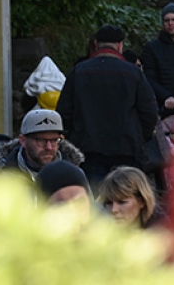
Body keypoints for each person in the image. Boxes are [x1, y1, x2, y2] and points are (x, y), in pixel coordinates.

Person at [58, 25, 158, 184]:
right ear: (120, 45)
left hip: (88, 149)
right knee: (125, 198)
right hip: (126, 149)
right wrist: (140, 138)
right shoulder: (133, 73)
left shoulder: (79, 71)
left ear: (96, 43)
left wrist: (74, 137)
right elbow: (149, 112)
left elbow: (63, 112)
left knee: (96, 202)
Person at [0, 108, 85, 179]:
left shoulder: (74, 176)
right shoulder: (1, 178)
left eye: (54, 140)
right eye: (41, 140)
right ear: (23, 141)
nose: (49, 147)